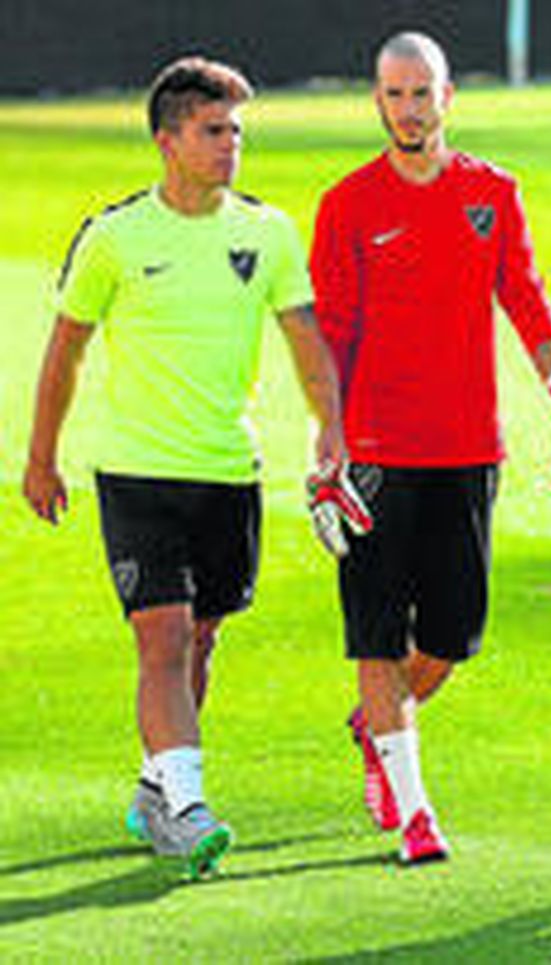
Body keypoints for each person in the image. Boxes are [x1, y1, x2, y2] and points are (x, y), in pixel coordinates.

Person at [21, 56, 346, 878]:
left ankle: (154, 789)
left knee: (200, 641)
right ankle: (190, 805)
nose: (230, 145)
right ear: (168, 141)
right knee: (162, 638)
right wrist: (40, 456)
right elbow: (65, 351)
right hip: (135, 473)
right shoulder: (114, 236)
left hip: (228, 472)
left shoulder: (267, 232)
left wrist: (330, 429)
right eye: (213, 131)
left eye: (237, 130)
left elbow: (304, 338)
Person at [310, 31, 551, 866]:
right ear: (377, 100)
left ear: (449, 98)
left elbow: (528, 302)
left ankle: (378, 731)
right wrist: (325, 446)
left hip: (468, 448)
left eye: (422, 93)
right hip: (373, 452)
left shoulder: (493, 193)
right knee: (375, 634)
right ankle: (415, 812)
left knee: (448, 639)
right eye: (394, 94)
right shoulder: (346, 204)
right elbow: (329, 336)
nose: (408, 109)